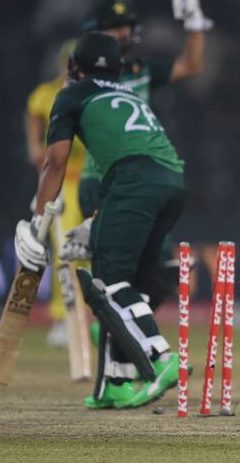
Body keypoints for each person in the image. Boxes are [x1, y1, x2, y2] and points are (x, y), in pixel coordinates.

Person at [14, 32, 184, 409]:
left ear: (74, 67)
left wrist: (36, 221)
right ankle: (115, 383)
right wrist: (95, 224)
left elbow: (54, 161)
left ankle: (160, 356)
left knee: (108, 283)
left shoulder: (72, 94)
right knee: (130, 282)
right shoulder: (127, 94)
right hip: (172, 181)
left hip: (133, 183)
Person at [63, 0, 211, 317]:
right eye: (115, 28)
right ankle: (119, 338)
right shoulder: (81, 78)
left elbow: (191, 65)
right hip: (101, 181)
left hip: (140, 180)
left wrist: (194, 21)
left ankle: (125, 334)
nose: (124, 33)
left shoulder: (139, 70)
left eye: (126, 26)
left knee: (160, 273)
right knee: (116, 274)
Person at [24, 38, 84, 347]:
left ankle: (90, 318)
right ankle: (63, 317)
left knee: (91, 251)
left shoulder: (87, 95)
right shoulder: (47, 94)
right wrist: (33, 145)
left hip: (90, 180)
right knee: (64, 251)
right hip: (62, 185)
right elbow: (34, 110)